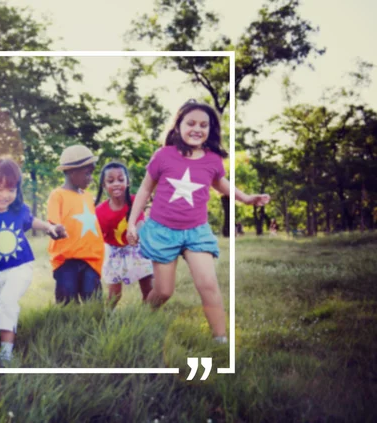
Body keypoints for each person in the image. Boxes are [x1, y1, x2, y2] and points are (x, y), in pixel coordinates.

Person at [126, 99, 270, 343]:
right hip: (163, 231)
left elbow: (220, 183)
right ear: (178, 126)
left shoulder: (212, 160)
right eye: (190, 123)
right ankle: (141, 317)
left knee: (208, 284)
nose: (197, 129)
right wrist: (132, 222)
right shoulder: (163, 156)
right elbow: (144, 190)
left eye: (204, 125)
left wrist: (246, 198)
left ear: (210, 130)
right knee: (163, 291)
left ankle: (220, 340)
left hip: (196, 232)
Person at [0, 156, 66, 365]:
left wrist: (50, 227)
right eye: (0, 188)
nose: (6, 195)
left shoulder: (18, 210)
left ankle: (6, 353)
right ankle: (1, 340)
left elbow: (32, 221)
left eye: (11, 189)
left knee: (7, 302)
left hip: (21, 266)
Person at [47, 145, 105, 305]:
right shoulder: (58, 195)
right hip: (67, 260)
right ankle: (67, 329)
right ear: (72, 171)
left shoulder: (88, 196)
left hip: (90, 258)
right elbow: (52, 223)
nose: (91, 178)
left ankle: (96, 329)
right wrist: (55, 229)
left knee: (93, 301)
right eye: (87, 173)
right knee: (67, 301)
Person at [94, 162, 153, 306]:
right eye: (110, 180)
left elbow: (140, 221)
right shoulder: (99, 211)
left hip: (137, 250)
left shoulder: (134, 201)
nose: (116, 184)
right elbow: (98, 236)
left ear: (127, 183)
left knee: (148, 289)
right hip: (114, 253)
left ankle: (147, 317)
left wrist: (137, 233)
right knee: (115, 294)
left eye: (121, 180)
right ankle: (107, 317)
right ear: (103, 185)